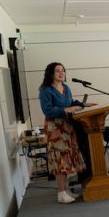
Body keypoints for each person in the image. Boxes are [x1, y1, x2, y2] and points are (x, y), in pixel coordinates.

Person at [38, 62, 94, 203]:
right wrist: (65, 110)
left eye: (63, 71)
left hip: (68, 126)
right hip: (55, 128)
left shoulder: (66, 88)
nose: (61, 73)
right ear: (51, 73)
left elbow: (70, 102)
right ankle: (61, 193)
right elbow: (47, 110)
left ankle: (66, 190)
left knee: (67, 160)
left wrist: (82, 104)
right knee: (60, 160)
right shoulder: (45, 90)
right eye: (57, 71)